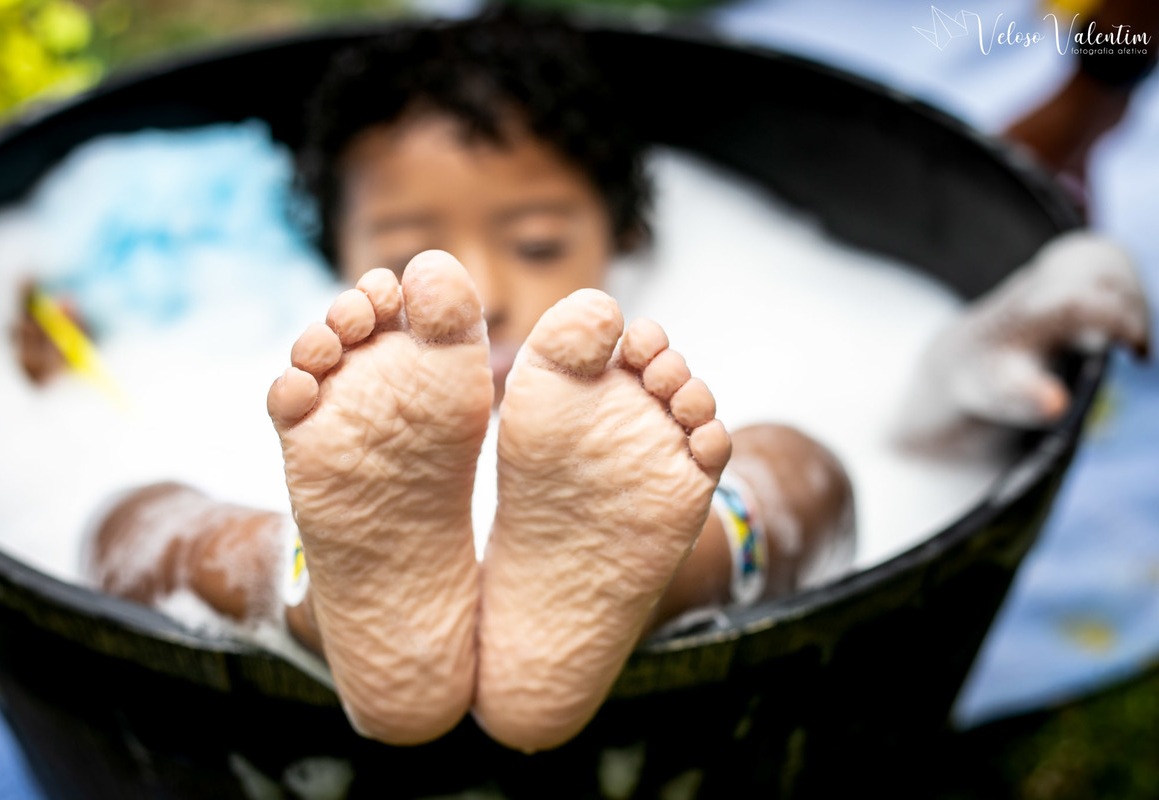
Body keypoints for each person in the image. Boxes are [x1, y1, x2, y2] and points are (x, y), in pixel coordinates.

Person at [73, 8, 1148, 754]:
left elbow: (892, 432)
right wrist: (45, 321)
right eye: (406, 246)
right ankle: (313, 591)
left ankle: (649, 576)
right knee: (136, 511)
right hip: (350, 542)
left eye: (540, 242)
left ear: (625, 238)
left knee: (795, 459)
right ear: (331, 250)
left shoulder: (649, 361)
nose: (480, 287)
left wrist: (976, 349)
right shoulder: (287, 347)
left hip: (630, 537)